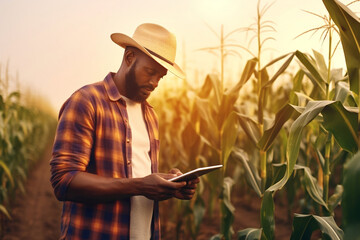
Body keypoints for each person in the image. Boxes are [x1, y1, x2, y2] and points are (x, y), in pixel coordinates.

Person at [50, 23, 199, 240]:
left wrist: (170, 186)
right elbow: (64, 181)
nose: (155, 82)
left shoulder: (150, 115)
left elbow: (139, 177)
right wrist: (140, 185)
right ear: (129, 57)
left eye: (161, 76)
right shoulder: (86, 102)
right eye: (150, 72)